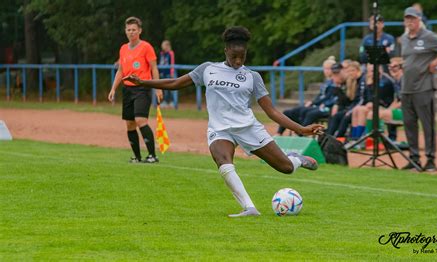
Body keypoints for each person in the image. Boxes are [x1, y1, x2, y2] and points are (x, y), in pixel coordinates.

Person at [124, 26, 324, 217]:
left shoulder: (252, 77)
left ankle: (297, 159)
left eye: (242, 56)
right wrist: (144, 82)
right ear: (226, 50)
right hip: (220, 130)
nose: (238, 60)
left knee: (286, 168)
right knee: (224, 162)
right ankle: (249, 208)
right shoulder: (208, 69)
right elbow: (175, 83)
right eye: (234, 56)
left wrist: (302, 129)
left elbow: (271, 111)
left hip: (248, 128)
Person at [400, 7, 437, 171]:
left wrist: (434, 63)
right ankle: (414, 158)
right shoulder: (404, 39)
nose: (410, 21)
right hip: (406, 88)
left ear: (419, 20)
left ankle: (430, 160)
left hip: (423, 87)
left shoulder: (428, 36)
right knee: (409, 125)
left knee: (427, 125)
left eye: (413, 18)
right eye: (407, 19)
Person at [107, 17, 162, 163]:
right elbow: (121, 70)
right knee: (130, 123)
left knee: (140, 120)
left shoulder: (146, 47)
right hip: (127, 90)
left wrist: (157, 88)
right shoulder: (123, 48)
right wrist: (113, 88)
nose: (131, 32)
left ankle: (152, 156)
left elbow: (154, 68)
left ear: (139, 31)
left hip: (142, 88)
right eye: (128, 30)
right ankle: (136, 157)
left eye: (134, 30)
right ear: (125, 31)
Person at [276, 56, 336, 135]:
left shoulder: (335, 82)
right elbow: (320, 95)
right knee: (288, 112)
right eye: (325, 68)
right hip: (317, 105)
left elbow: (327, 97)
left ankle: (300, 133)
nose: (326, 71)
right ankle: (279, 133)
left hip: (325, 108)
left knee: (308, 112)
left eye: (328, 68)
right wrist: (312, 102)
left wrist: (314, 103)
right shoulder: (326, 82)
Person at [159, 40, 176, 107]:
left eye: (164, 45)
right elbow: (161, 62)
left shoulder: (170, 53)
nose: (163, 47)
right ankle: (165, 101)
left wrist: (172, 73)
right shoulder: (161, 53)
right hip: (163, 73)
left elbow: (172, 62)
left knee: (170, 88)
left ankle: (171, 102)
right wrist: (160, 72)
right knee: (164, 88)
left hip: (169, 73)